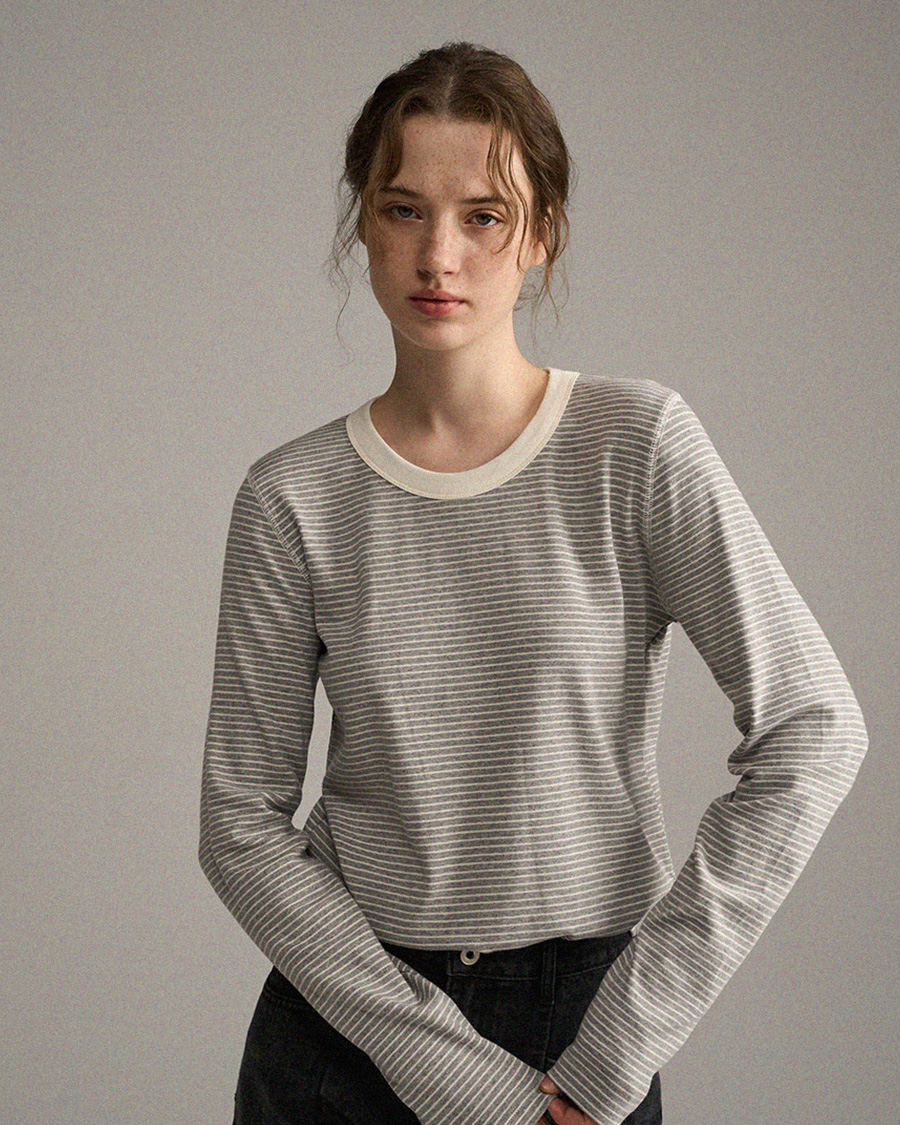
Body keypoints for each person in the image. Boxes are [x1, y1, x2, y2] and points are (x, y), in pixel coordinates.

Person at [199, 41, 867, 1125]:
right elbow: (239, 823)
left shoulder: (634, 445)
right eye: (404, 209)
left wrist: (621, 1045)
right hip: (344, 1032)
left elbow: (815, 728)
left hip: (579, 1044)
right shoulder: (294, 496)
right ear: (363, 223)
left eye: (485, 216)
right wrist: (445, 1069)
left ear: (544, 232)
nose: (439, 256)